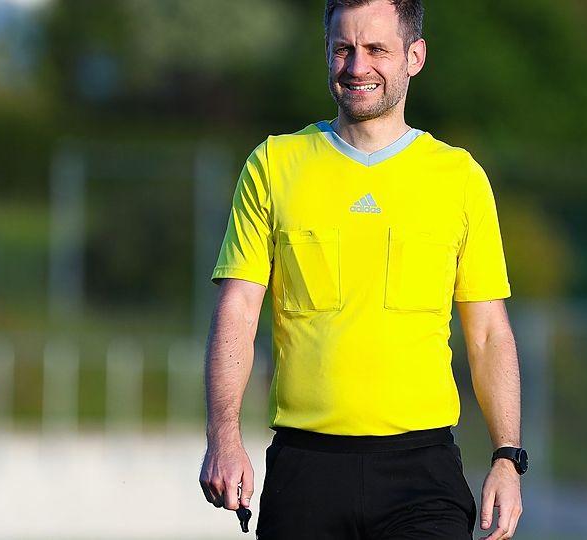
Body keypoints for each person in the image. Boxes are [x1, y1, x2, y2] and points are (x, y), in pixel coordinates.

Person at [199, 1, 525, 539]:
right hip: (304, 470)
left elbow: (489, 332)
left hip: (423, 475)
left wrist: (507, 458)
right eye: (343, 49)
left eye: (377, 49)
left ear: (414, 57)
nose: (357, 67)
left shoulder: (460, 178)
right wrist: (223, 438)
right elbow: (237, 310)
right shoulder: (274, 166)